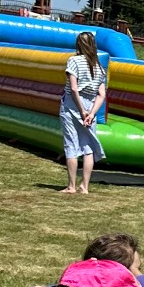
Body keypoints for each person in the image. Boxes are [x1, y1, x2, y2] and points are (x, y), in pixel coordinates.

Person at [61, 31, 108, 195]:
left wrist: (82, 111)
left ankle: (71, 186)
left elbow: (74, 88)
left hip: (73, 105)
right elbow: (102, 94)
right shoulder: (99, 67)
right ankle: (85, 186)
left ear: (79, 44)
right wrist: (92, 113)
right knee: (88, 147)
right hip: (91, 106)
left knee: (71, 144)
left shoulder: (73, 61)